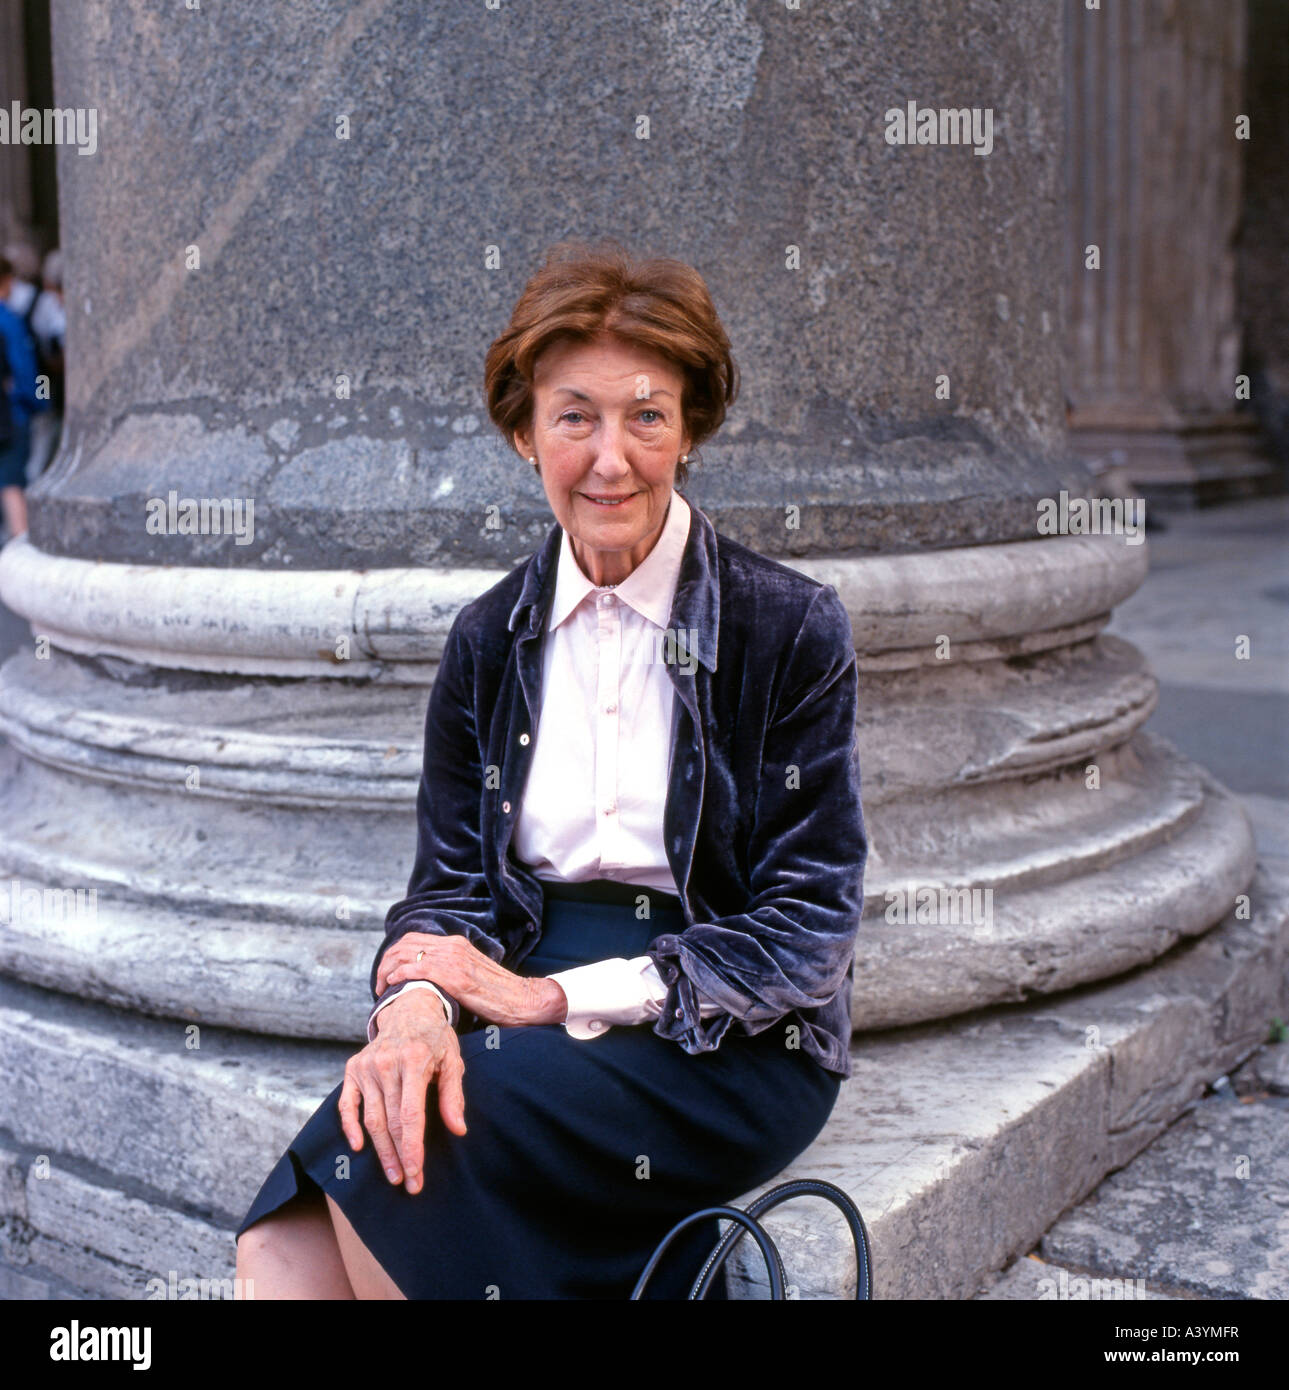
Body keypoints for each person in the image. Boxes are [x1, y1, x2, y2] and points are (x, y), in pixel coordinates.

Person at [234, 239, 867, 1300]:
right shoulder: (486, 639)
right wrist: (421, 1005)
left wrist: (548, 999)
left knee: (406, 1157)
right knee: (284, 1239)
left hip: (733, 1024)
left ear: (689, 430)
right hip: (516, 978)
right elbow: (445, 889)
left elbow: (807, 929)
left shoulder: (787, 627)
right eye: (574, 416)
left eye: (645, 415)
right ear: (524, 434)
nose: (609, 456)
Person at [0, 254, 49, 538]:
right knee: (13, 480)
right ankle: (21, 542)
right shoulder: (10, 320)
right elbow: (30, 370)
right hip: (13, 413)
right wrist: (42, 401)